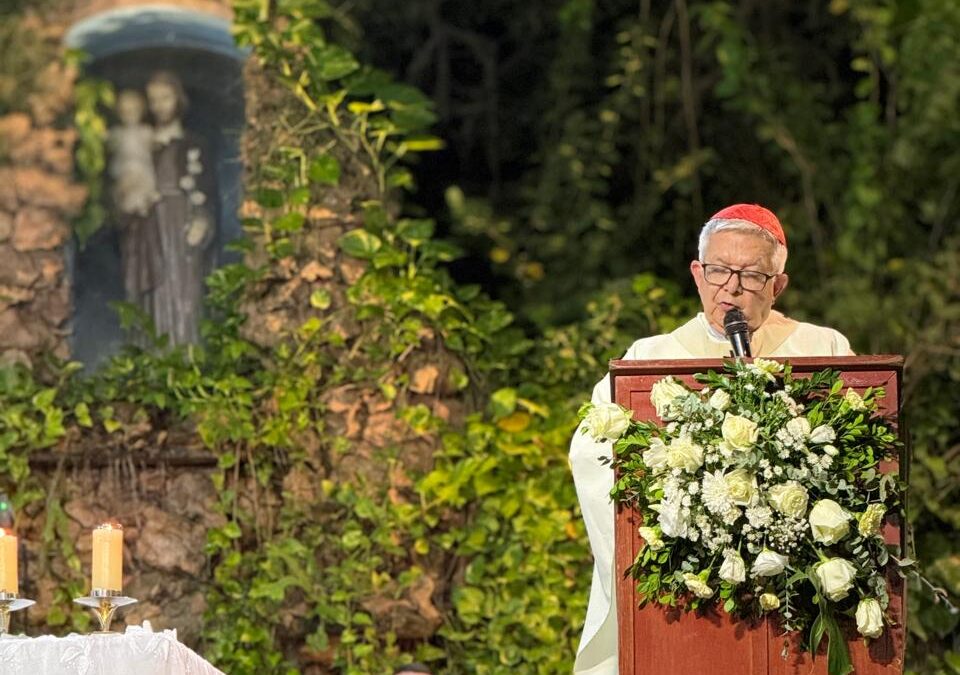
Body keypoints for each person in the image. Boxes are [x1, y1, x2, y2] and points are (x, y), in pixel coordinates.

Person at [569, 204, 854, 674]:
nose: (732, 288)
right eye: (720, 271)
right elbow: (591, 449)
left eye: (751, 275)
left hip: (794, 585)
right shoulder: (649, 358)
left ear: (777, 285)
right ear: (698, 274)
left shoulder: (823, 350)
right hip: (686, 585)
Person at [143, 70, 215, 345]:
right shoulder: (144, 143)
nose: (160, 105)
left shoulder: (194, 144)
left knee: (186, 286)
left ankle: (186, 353)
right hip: (151, 224)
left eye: (166, 97)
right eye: (154, 100)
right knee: (155, 286)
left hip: (182, 220)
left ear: (178, 100)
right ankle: (154, 354)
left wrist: (202, 220)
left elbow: (206, 190)